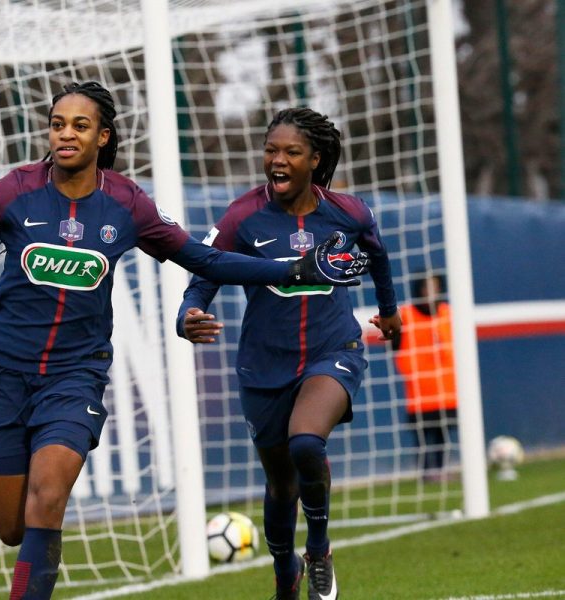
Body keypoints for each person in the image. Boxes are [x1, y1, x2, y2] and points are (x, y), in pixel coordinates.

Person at [0, 84, 371, 600]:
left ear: (103, 137)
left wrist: (294, 270)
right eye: (57, 124)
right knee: (11, 526)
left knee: (47, 498)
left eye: (80, 125)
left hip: (75, 377)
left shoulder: (128, 204)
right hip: (3, 371)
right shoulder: (13, 192)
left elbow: (204, 257)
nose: (65, 134)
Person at [176, 107, 401, 600]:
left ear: (315, 160)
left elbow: (378, 257)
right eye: (270, 151)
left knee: (306, 443)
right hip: (264, 365)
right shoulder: (242, 216)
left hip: (333, 349)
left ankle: (318, 548)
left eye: (290, 153)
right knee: (281, 484)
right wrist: (187, 314)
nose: (277, 161)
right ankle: (285, 572)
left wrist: (389, 312)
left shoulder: (348, 212)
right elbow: (204, 276)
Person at [391, 273, 458, 482]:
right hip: (419, 389)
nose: (430, 292)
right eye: (426, 287)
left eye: (434, 287)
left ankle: (440, 470)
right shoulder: (407, 315)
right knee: (423, 434)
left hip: (447, 388)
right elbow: (396, 347)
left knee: (442, 434)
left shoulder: (447, 313)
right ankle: (426, 472)